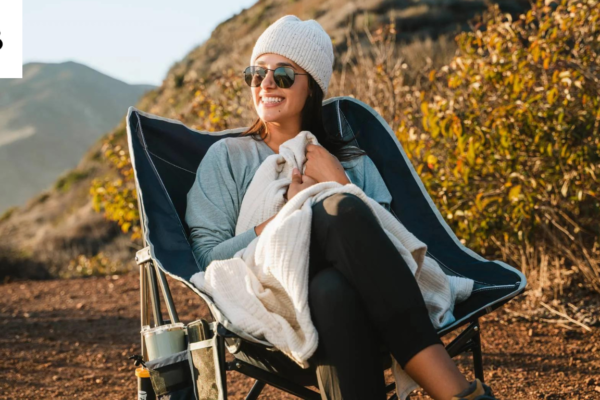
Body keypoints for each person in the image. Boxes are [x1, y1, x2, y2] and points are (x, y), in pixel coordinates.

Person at [185, 14, 498, 400]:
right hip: (267, 292)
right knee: (341, 210)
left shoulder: (349, 158)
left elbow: (390, 244)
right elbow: (206, 260)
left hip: (360, 298)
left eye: (282, 75)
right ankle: (459, 393)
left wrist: (340, 181)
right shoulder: (228, 158)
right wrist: (286, 215)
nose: (266, 84)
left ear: (312, 86)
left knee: (332, 288)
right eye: (256, 73)